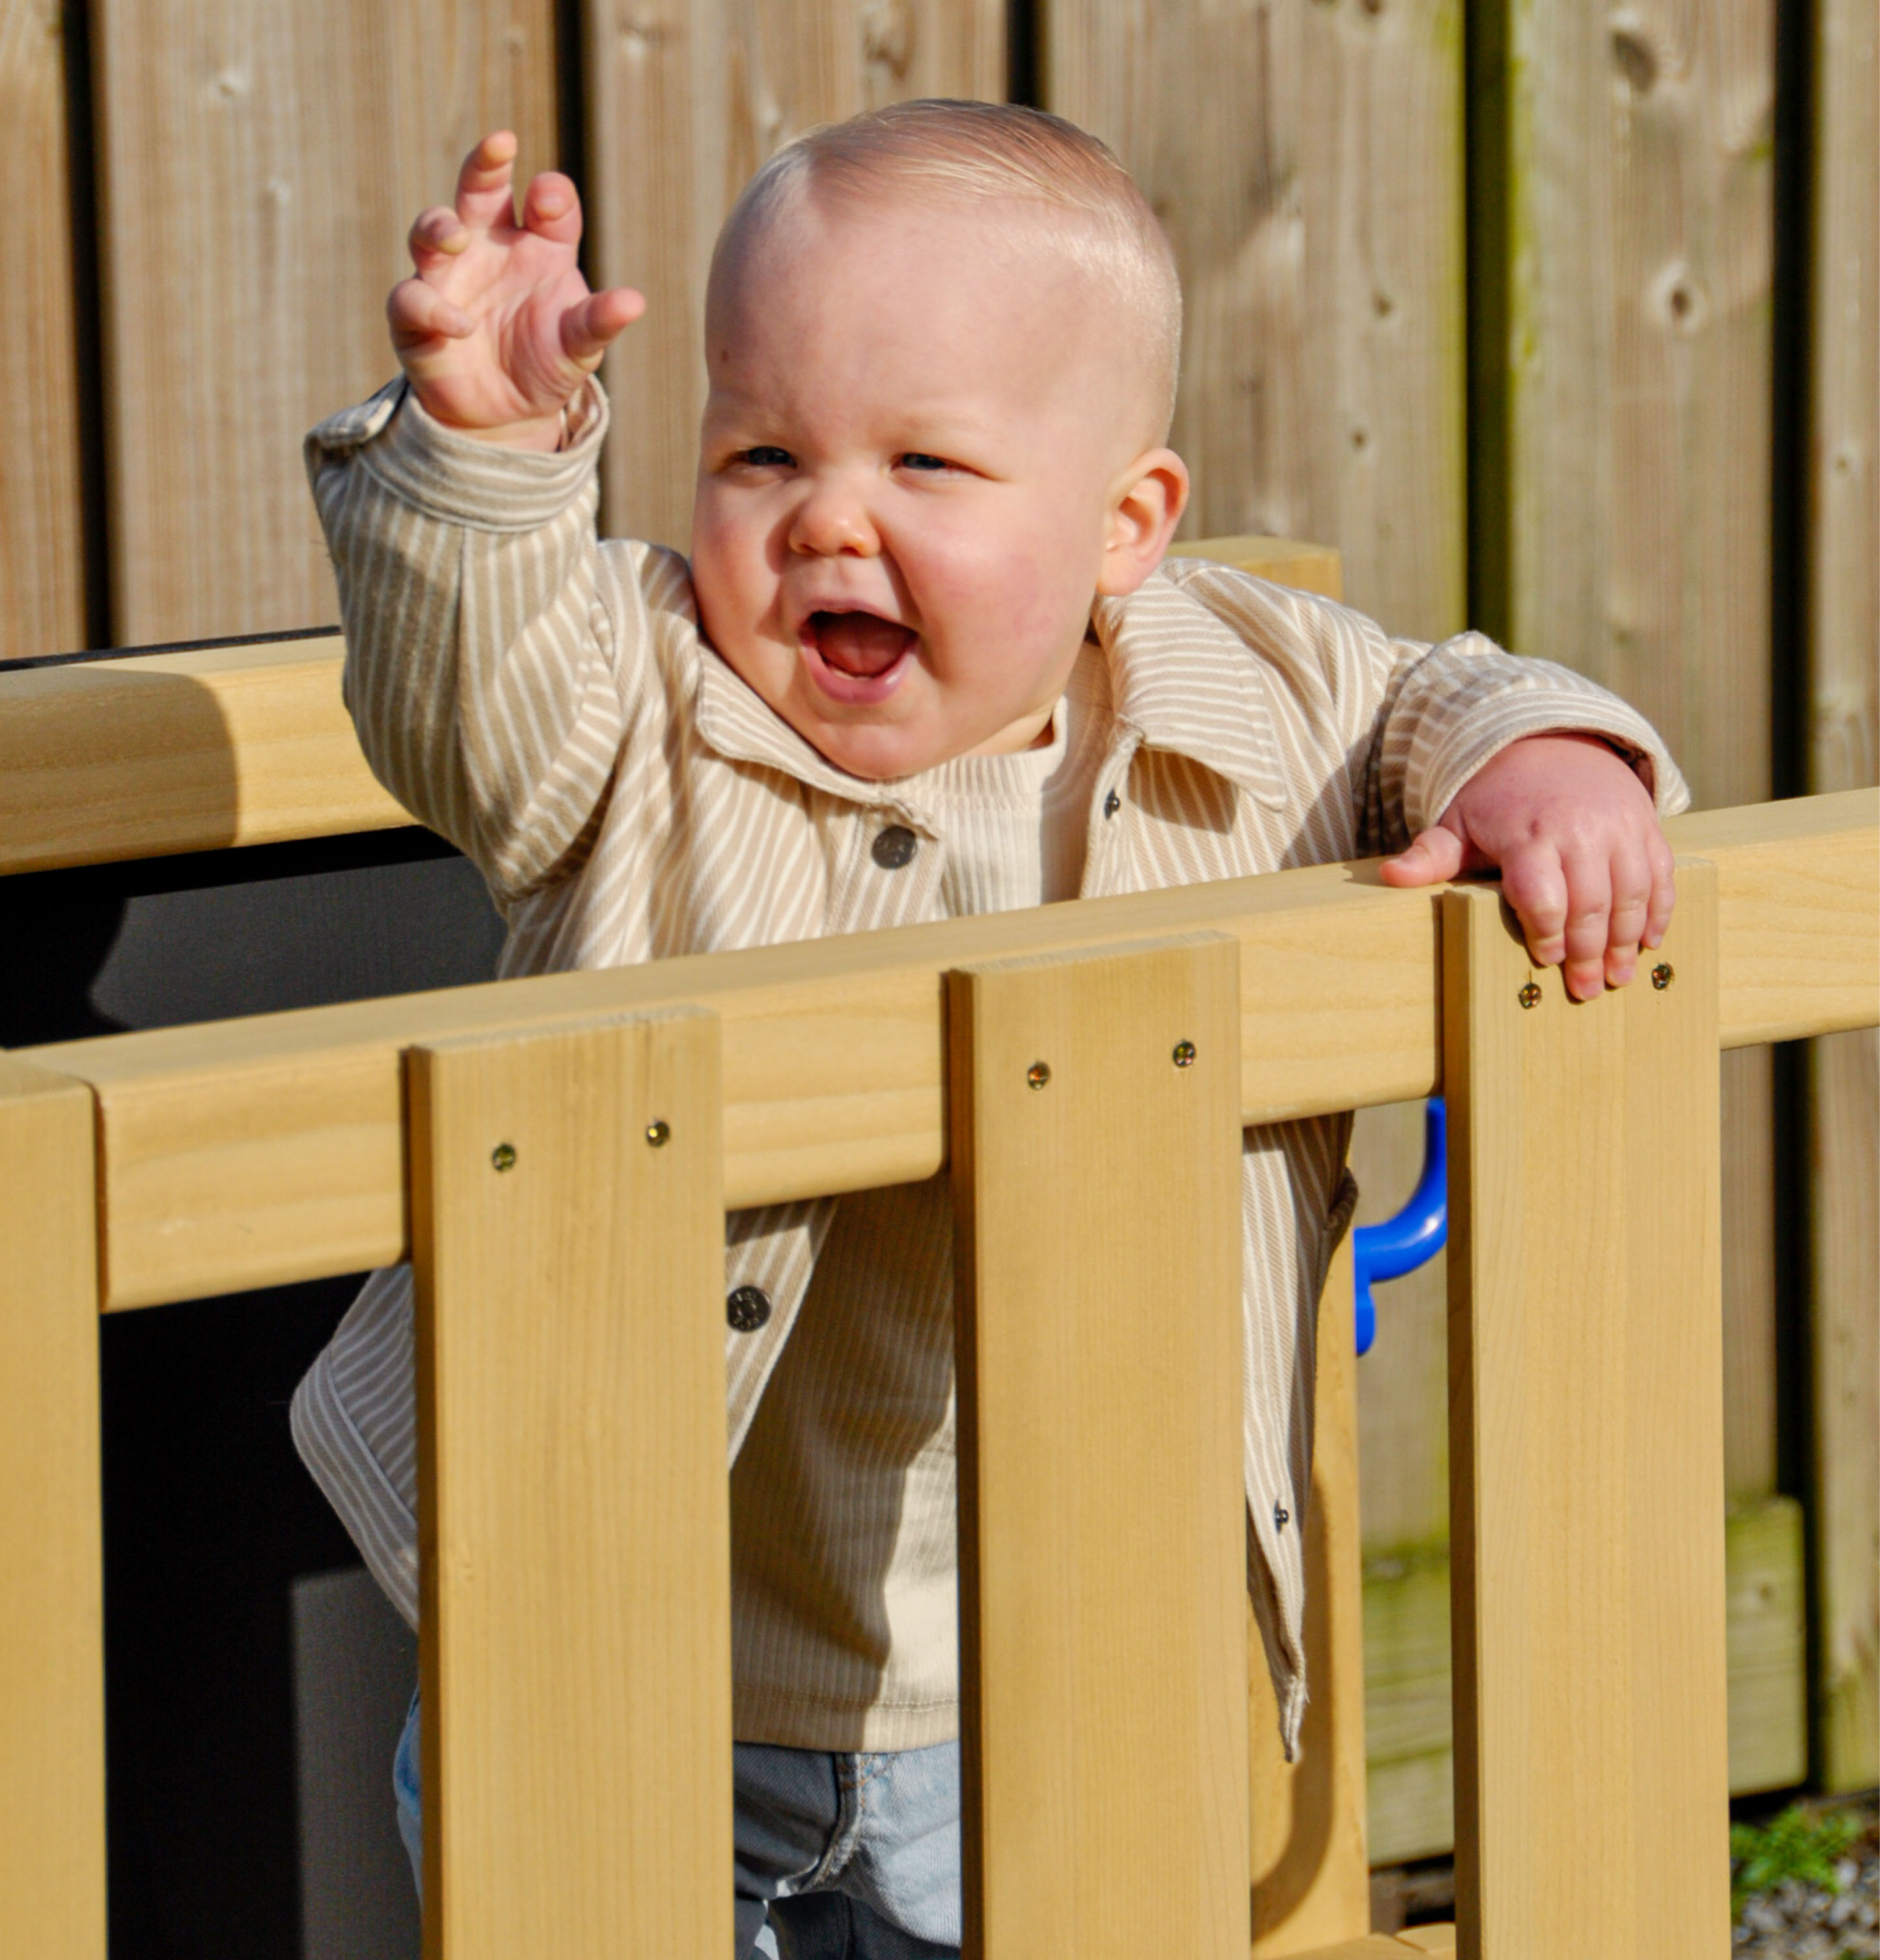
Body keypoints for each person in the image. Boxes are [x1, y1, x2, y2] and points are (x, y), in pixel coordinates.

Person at [291, 102, 1685, 1958]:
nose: (827, 518)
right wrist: (486, 456)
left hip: (1053, 1697)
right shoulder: (634, 705)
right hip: (630, 1674)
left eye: (927, 463)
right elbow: (464, 694)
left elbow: (1437, 694)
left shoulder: (1238, 690)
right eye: (759, 449)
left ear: (1126, 526)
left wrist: (1546, 764)